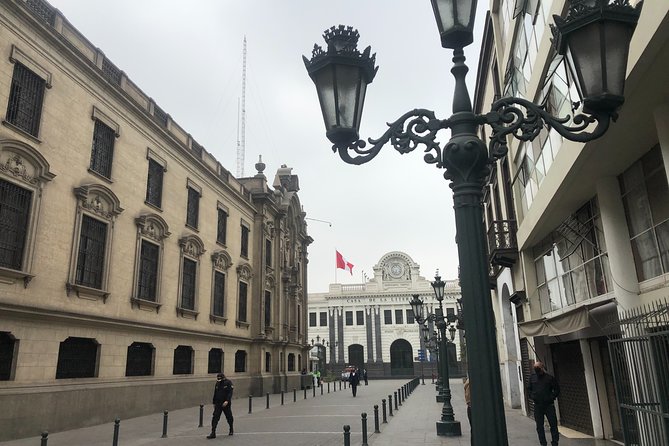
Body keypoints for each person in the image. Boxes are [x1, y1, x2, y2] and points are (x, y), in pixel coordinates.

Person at [529, 361, 560, 446]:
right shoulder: (532, 378)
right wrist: (533, 397)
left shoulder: (549, 378)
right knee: (539, 426)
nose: (536, 370)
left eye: (537, 368)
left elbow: (557, 390)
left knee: (553, 425)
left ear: (542, 368)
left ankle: (555, 442)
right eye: (535, 368)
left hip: (548, 405)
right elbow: (529, 389)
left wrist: (551, 397)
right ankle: (543, 443)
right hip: (537, 405)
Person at [207, 373, 234, 439]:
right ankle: (213, 432)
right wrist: (214, 402)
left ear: (223, 378)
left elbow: (230, 393)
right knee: (215, 417)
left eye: (220, 378)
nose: (219, 380)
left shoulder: (228, 383)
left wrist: (227, 401)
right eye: (218, 378)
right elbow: (215, 393)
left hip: (225, 404)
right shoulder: (217, 383)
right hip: (218, 403)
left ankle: (231, 428)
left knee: (229, 417)